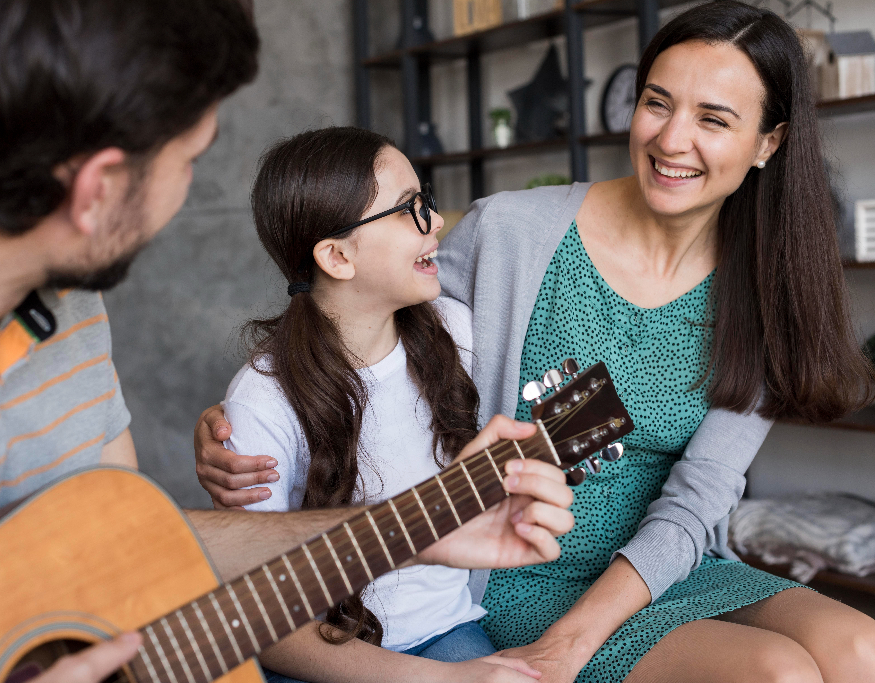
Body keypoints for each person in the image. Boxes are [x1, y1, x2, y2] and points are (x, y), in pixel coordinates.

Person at [0, 1, 578, 682]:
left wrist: (407, 527)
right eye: (189, 159)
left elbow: (130, 554)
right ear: (98, 189)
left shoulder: (66, 308)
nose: (185, 194)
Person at [195, 2, 875, 682]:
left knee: (860, 648)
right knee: (777, 672)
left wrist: (581, 636)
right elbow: (365, 320)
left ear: (769, 142)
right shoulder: (511, 235)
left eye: (713, 118)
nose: (671, 139)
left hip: (663, 562)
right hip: (521, 567)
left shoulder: (766, 288)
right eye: (656, 103)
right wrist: (253, 413)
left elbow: (700, 497)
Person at [219, 127, 566, 683]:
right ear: (337, 256)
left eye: (425, 200)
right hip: (324, 657)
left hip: (445, 631)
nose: (436, 223)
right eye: (409, 210)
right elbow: (262, 624)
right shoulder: (262, 399)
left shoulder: (456, 331)